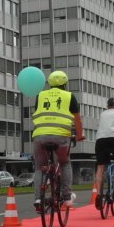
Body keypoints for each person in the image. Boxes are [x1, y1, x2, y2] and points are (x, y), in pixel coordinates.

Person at [30, 70, 83, 209]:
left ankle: (38, 199)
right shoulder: (69, 96)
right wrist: (79, 135)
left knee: (40, 167)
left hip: (40, 135)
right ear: (65, 84)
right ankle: (66, 197)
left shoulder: (40, 95)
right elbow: (77, 120)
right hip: (60, 136)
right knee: (65, 162)